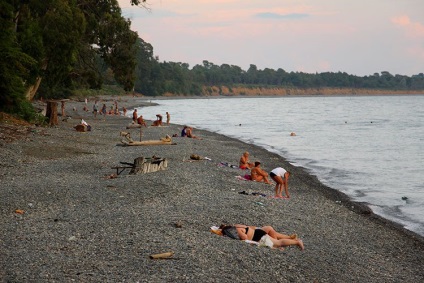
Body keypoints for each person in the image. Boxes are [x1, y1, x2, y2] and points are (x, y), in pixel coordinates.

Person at [219, 224, 304, 251]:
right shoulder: (237, 226)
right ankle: (291, 239)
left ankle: (297, 242)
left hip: (258, 236)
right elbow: (248, 227)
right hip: (257, 232)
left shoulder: (236, 231)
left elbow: (244, 238)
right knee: (276, 242)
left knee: (279, 243)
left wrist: (241, 239)